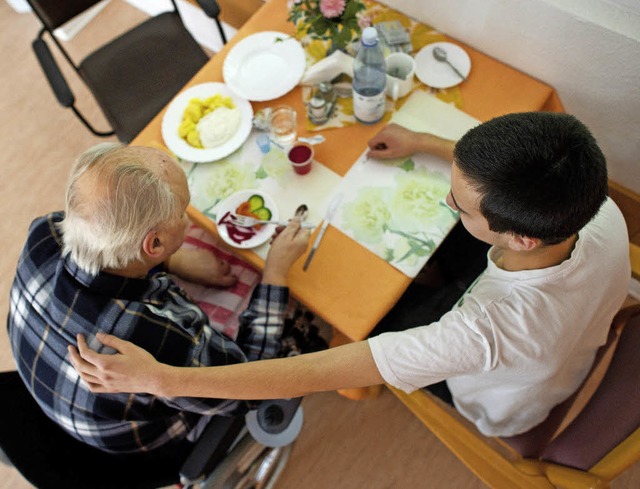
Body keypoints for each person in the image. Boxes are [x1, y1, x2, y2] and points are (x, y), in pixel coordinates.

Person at [69, 112, 631, 438]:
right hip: (573, 331)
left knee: (371, 314)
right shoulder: (596, 206)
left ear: (520, 237)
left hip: (501, 403)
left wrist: (163, 380)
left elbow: (309, 372)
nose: (449, 202)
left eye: (459, 204)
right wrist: (424, 144)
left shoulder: (479, 333)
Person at [7, 142, 311, 455]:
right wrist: (274, 272)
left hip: (52, 385)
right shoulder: (154, 337)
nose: (188, 220)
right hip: (132, 438)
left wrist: (174, 261)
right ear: (154, 244)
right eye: (182, 212)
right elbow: (252, 382)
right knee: (299, 326)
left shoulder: (44, 232)